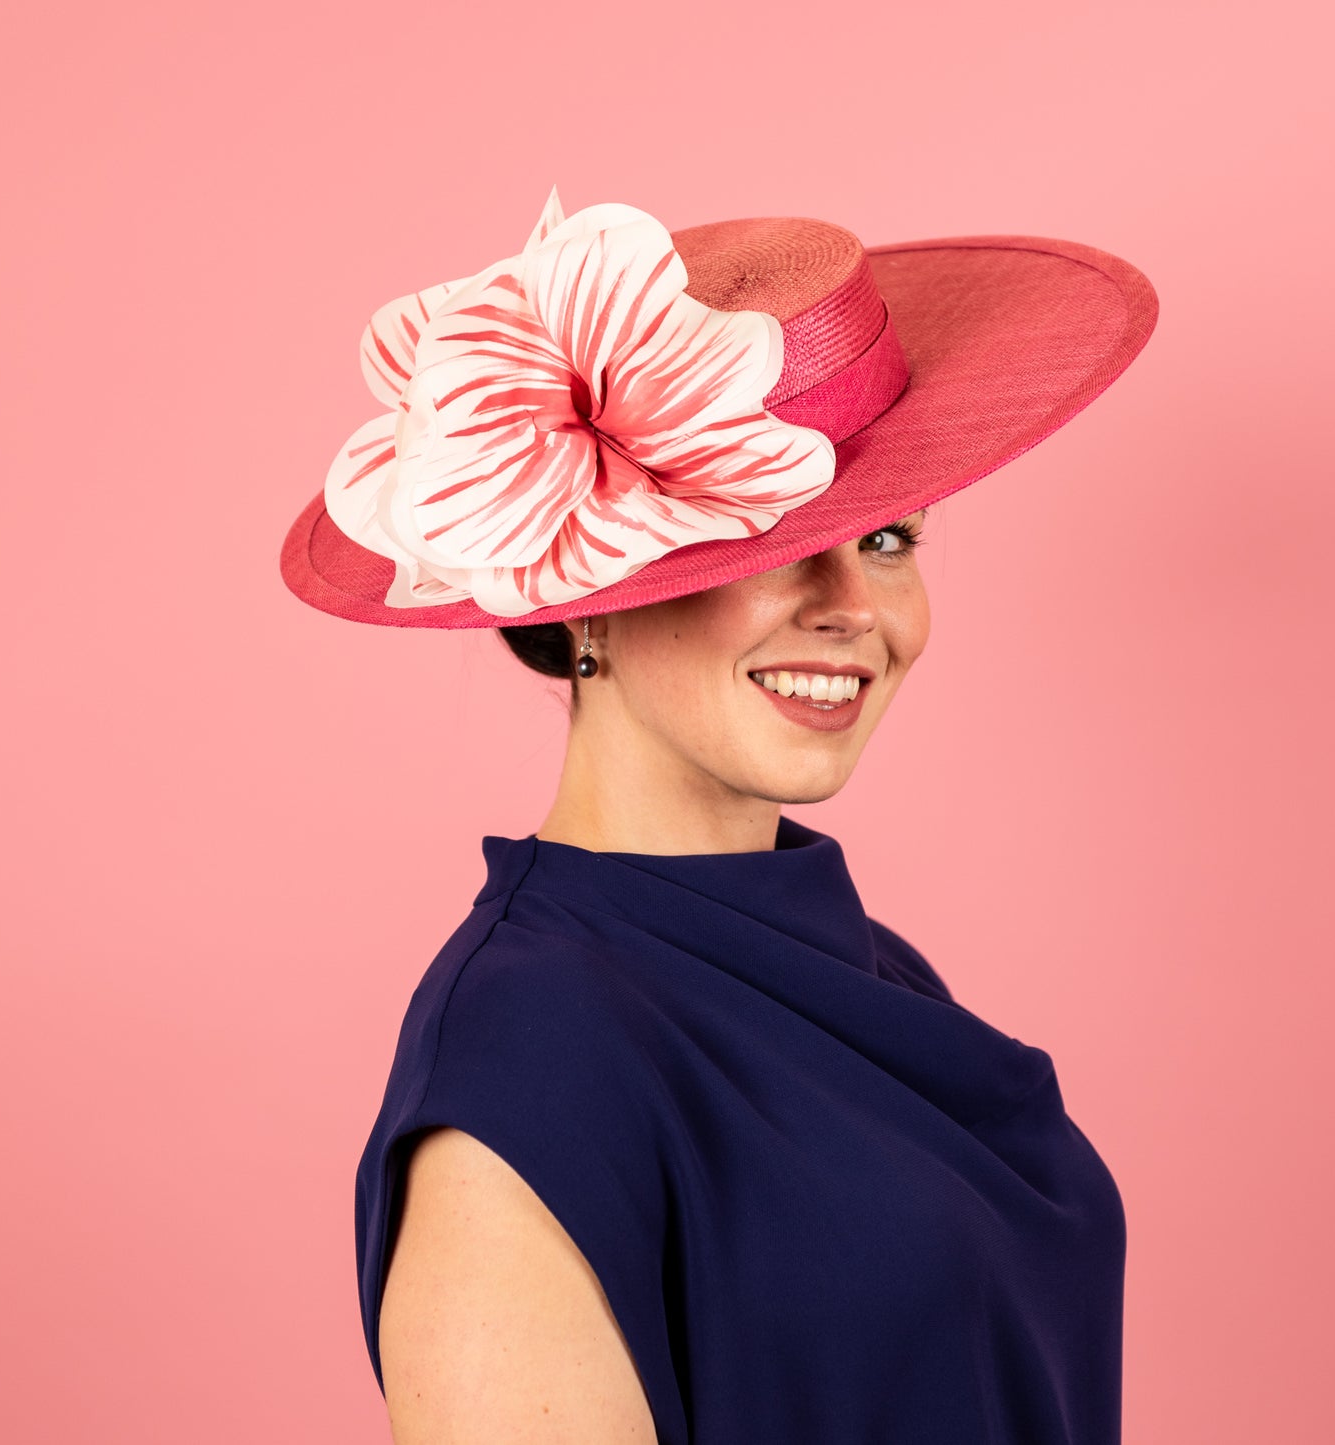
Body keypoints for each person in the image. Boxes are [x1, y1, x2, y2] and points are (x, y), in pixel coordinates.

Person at [279, 188, 1158, 1443]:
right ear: (583, 597)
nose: (853, 603)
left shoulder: (859, 964)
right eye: (770, 540)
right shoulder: (528, 1063)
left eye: (891, 537)